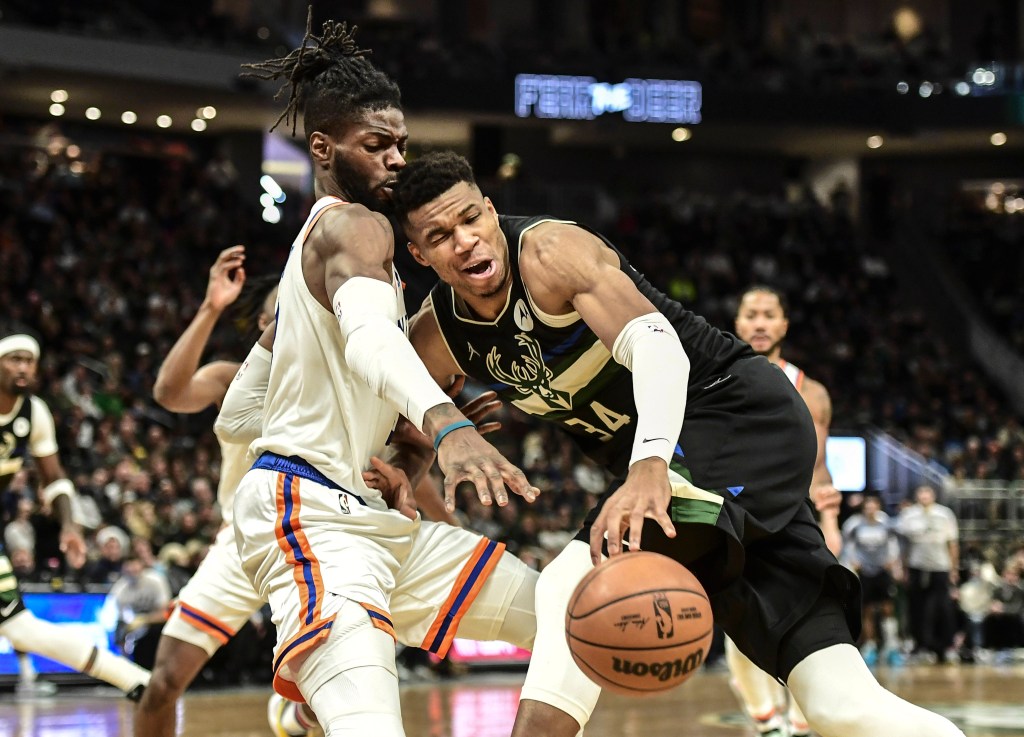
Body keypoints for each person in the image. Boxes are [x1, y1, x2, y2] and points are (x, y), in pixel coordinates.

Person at [390, 150, 968, 737]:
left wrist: (649, 467)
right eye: (440, 236)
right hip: (707, 467)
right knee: (838, 704)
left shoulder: (549, 252)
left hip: (729, 413)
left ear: (491, 211)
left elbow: (658, 345)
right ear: (419, 254)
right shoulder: (438, 332)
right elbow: (413, 422)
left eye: (470, 220)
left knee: (579, 579)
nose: (464, 241)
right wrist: (404, 465)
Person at [230, 17, 543, 737]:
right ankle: (324, 682)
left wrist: (392, 448)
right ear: (323, 147)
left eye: (402, 143)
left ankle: (314, 693)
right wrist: (448, 424)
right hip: (315, 518)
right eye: (377, 144)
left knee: (574, 611)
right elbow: (371, 341)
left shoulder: (327, 257)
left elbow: (242, 412)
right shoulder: (354, 228)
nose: (398, 159)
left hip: (370, 516)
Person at [136, 246, 289, 737]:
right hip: (244, 542)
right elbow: (169, 394)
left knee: (337, 684)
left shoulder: (343, 382)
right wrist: (211, 307)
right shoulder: (233, 377)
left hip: (321, 532)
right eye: (281, 310)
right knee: (164, 681)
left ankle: (302, 714)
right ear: (265, 321)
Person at [0, 328, 150, 700]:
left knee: (20, 627)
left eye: (29, 361)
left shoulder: (34, 413)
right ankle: (137, 681)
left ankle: (138, 682)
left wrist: (69, 525)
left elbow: (54, 480)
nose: (22, 367)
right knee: (20, 628)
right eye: (13, 359)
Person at [722, 285, 845, 736]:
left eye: (768, 314)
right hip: (735, 515)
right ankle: (767, 721)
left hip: (793, 520)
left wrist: (830, 520)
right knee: (737, 622)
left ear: (783, 325)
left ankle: (798, 721)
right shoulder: (714, 377)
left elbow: (819, 468)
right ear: (737, 323)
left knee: (805, 622)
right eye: (750, 313)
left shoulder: (810, 392)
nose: (758, 323)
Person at [896, 483, 960, 663]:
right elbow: (904, 545)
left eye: (927, 492)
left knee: (941, 607)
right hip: (917, 567)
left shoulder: (944, 514)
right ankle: (920, 645)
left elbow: (952, 543)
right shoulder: (908, 515)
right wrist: (904, 567)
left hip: (940, 566)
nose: (924, 496)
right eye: (921, 492)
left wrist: (954, 568)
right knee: (917, 607)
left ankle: (943, 646)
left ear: (933, 495)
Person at [842, 494, 903, 666]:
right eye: (867, 506)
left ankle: (892, 646)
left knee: (887, 608)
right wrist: (852, 565)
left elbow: (893, 543)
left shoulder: (885, 523)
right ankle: (870, 646)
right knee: (867, 610)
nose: (870, 509)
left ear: (878, 507)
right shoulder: (854, 524)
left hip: (882, 571)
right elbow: (847, 546)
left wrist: (894, 564)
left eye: (873, 506)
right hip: (865, 572)